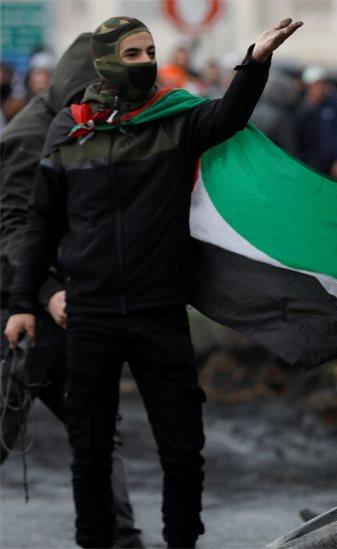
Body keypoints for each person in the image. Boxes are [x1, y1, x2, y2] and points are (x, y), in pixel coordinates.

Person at [4, 16, 302, 547]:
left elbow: (229, 114)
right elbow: (40, 224)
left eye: (149, 51)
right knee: (90, 450)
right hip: (90, 317)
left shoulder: (174, 119)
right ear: (104, 63)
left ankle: (182, 541)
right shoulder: (69, 129)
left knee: (183, 449)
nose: (146, 62)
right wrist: (27, 301)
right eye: (134, 54)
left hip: (159, 313)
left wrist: (254, 61)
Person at [0, 32, 143, 549]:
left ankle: (119, 539)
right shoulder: (28, 134)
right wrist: (46, 292)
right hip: (20, 309)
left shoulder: (87, 124)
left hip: (66, 307)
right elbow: (14, 226)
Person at [293, 66, 337, 178]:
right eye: (312, 86)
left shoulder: (336, 105)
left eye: (319, 84)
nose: (316, 89)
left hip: (331, 163)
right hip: (307, 162)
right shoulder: (301, 106)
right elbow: (296, 132)